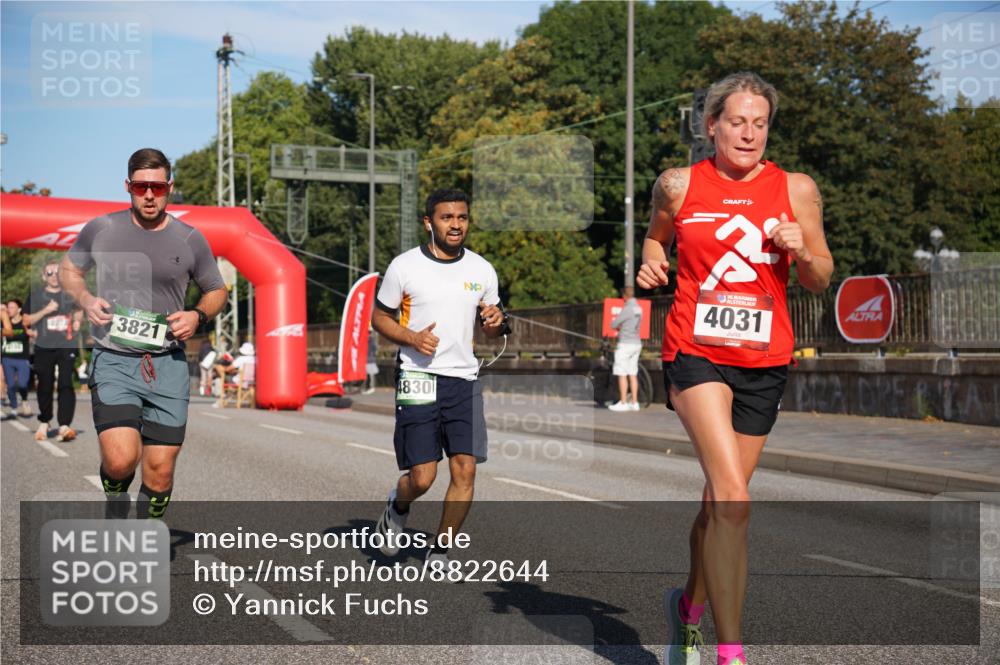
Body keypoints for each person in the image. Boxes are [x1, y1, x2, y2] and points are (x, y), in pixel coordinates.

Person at [638, 72, 833, 665]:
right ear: (711, 125)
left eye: (760, 123)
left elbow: (821, 277)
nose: (749, 134)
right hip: (693, 351)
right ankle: (731, 653)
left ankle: (687, 611)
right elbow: (655, 239)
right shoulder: (677, 185)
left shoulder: (796, 189)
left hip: (765, 359)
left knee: (720, 502)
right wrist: (652, 265)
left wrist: (802, 248)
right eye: (736, 122)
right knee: (734, 501)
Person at [60, 147, 227, 520]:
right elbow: (69, 270)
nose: (149, 195)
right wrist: (85, 297)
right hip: (114, 358)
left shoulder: (189, 239)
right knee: (120, 461)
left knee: (160, 471)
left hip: (166, 363)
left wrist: (198, 314)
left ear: (169, 187)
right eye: (140, 187)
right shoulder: (102, 229)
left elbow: (217, 289)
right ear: (128, 187)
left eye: (157, 187)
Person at [372, 187, 508, 568]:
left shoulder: (481, 269)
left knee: (465, 468)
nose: (456, 225)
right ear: (429, 222)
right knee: (422, 477)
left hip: (463, 379)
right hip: (417, 375)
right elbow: (379, 317)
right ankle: (397, 507)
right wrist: (412, 337)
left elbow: (491, 328)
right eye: (447, 218)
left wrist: (497, 322)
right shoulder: (405, 266)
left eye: (462, 217)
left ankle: (441, 550)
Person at [24, 260, 83, 442]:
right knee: (45, 383)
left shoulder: (69, 295)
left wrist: (76, 322)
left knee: (65, 382)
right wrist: (45, 310)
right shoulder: (36, 296)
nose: (54, 276)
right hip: (44, 346)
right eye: (50, 273)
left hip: (66, 344)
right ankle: (45, 421)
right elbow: (26, 319)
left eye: (57, 273)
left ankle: (64, 425)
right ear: (44, 276)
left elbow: (80, 309)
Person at [608, 286, 644, 412]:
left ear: (624, 296)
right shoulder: (638, 308)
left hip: (625, 344)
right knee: (633, 373)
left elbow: (614, 323)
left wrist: (618, 327)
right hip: (636, 343)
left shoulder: (627, 308)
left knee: (622, 372)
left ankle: (623, 402)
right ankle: (635, 402)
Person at [2, 299, 33, 418]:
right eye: (8, 307)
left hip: (22, 358)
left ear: (19, 309)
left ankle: (24, 400)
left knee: (22, 384)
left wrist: (32, 334)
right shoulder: (4, 322)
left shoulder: (25, 323)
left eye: (12, 307)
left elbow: (34, 332)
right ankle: (14, 407)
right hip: (7, 358)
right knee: (10, 385)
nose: (9, 309)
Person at [363, 328, 378, 395]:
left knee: (370, 374)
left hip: (370, 359)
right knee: (367, 375)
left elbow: (375, 349)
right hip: (367, 359)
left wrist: (372, 355)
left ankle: (371, 387)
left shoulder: (371, 340)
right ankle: (367, 388)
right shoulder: (368, 339)